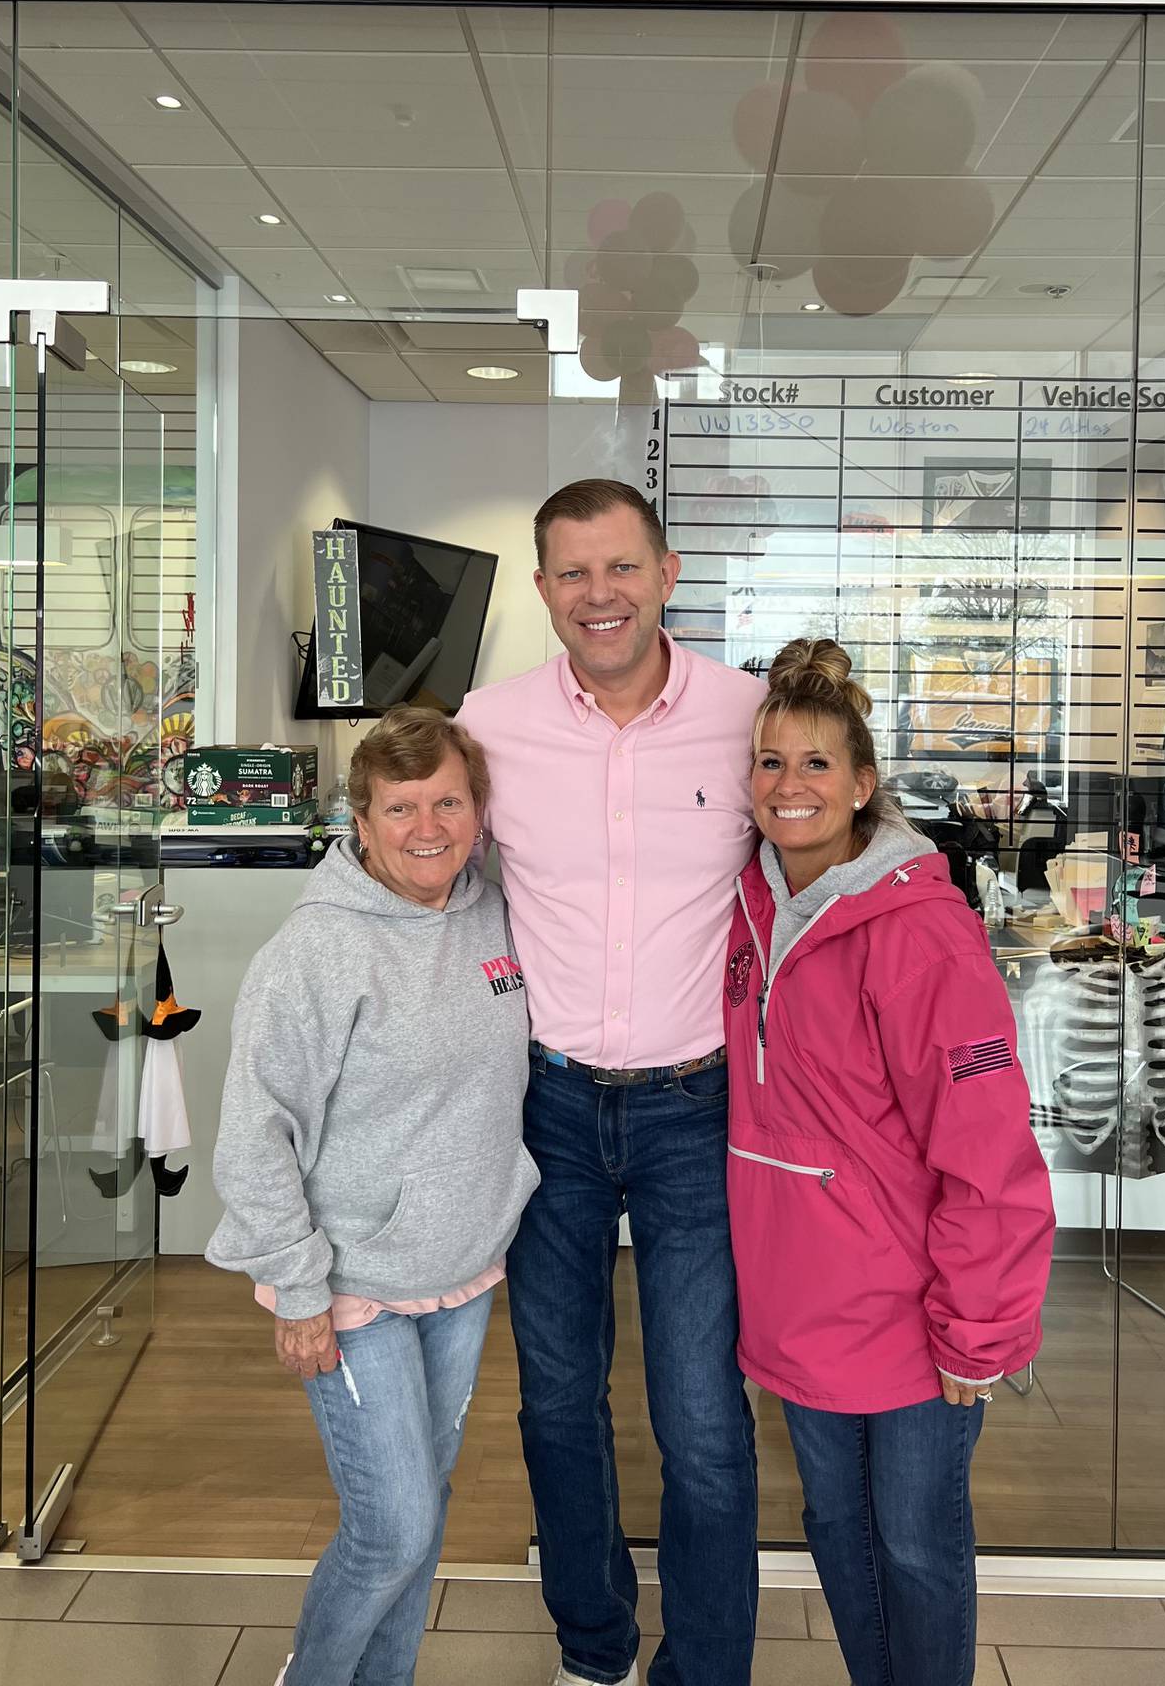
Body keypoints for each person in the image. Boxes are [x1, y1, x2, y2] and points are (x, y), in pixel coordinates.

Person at [457, 478, 762, 1686]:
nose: (601, 596)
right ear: (542, 591)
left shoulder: (743, 717)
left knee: (703, 1425)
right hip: (549, 1110)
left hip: (700, 1108)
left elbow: (838, 844)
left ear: (668, 573)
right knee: (555, 1407)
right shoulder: (491, 721)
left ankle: (706, 1669)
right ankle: (594, 1650)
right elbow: (420, 862)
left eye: (622, 568)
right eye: (574, 574)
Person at [722, 639, 1055, 1686]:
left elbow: (989, 1148)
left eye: (818, 764)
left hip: (918, 1312)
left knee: (915, 1542)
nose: (791, 786)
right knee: (838, 1530)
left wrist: (980, 1328)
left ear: (864, 785)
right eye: (771, 762)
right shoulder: (746, 905)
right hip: (797, 1302)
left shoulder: (922, 933)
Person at [206, 707, 538, 1686]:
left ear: (479, 810)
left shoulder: (493, 912)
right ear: (361, 818)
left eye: (448, 801)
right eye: (402, 807)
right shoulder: (315, 953)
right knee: (392, 1527)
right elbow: (254, 1128)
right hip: (353, 1282)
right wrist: (298, 1289)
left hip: (463, 1269)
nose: (427, 826)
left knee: (421, 1512)